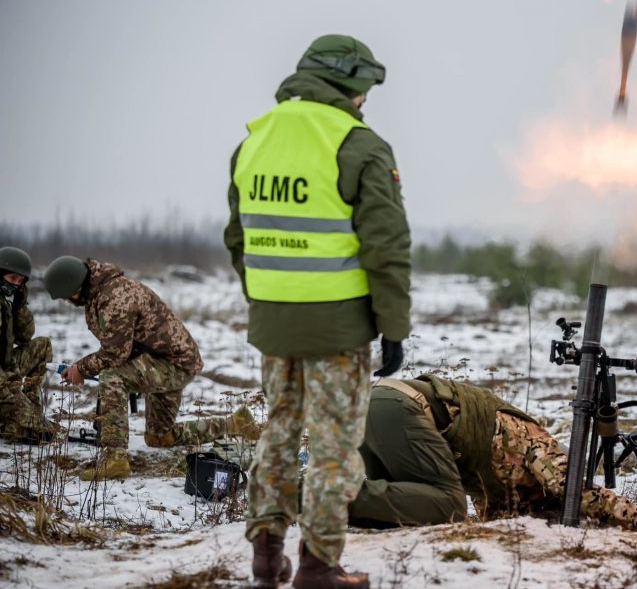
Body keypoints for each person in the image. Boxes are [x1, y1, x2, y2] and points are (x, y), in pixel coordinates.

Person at [224, 33, 411, 589]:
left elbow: (239, 240)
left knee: (278, 434)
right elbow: (386, 248)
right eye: (363, 91)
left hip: (275, 325)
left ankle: (265, 556)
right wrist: (393, 328)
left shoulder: (253, 143)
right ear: (348, 83)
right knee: (333, 448)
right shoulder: (360, 145)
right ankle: (319, 566)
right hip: (338, 328)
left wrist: (268, 302)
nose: (364, 103)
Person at [348, 375, 637, 535]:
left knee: (397, 509)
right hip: (400, 408)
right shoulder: (538, 444)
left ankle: (325, 502)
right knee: (448, 505)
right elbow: (572, 489)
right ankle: (320, 495)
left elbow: (499, 523)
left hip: (372, 405)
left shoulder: (499, 492)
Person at [43, 256, 259, 481]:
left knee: (112, 377)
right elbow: (119, 345)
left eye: (66, 297)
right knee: (160, 438)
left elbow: (115, 354)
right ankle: (235, 423)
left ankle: (115, 458)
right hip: (161, 360)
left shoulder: (113, 296)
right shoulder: (102, 292)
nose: (67, 301)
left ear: (75, 286)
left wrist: (81, 369)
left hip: (173, 363)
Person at [0, 247, 59, 443]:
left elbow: (26, 336)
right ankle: (11, 420)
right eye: (12, 278)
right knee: (42, 434)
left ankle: (29, 405)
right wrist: (11, 386)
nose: (15, 285)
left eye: (20, 281)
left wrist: (20, 304)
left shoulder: (6, 302)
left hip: (7, 370)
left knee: (43, 346)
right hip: (3, 378)